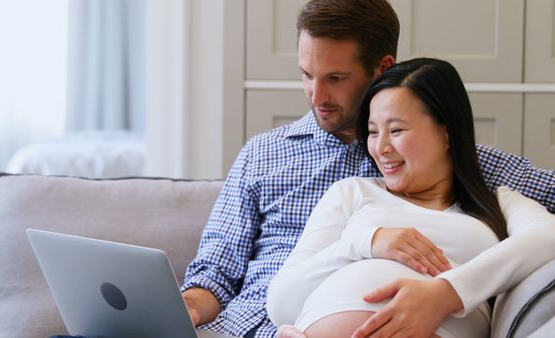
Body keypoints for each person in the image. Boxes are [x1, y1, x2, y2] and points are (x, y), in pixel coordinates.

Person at [180, 1, 555, 337]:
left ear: (382, 69)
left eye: (335, 78)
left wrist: (449, 292)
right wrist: (186, 308)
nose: (316, 95)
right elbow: (215, 273)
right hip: (251, 325)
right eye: (307, 75)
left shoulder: (479, 172)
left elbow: (543, 230)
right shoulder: (265, 154)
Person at [266, 57, 555, 338]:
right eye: (372, 132)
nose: (381, 147)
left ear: (447, 133)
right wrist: (368, 242)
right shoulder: (353, 192)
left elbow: (548, 236)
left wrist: (446, 293)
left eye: (396, 130)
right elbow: (280, 303)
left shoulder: (499, 204)